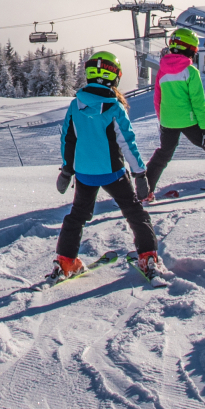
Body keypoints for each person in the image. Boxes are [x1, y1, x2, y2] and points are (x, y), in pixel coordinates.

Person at [55, 51, 160, 281]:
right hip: (113, 173)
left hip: (84, 174)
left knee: (77, 216)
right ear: (115, 78)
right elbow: (128, 144)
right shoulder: (114, 108)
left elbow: (68, 140)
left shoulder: (76, 105)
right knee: (135, 213)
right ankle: (147, 255)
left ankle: (65, 261)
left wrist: (66, 170)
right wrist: (140, 174)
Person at [144, 27, 205, 194]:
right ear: (189, 49)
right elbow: (198, 104)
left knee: (162, 155)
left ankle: (144, 192)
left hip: (168, 122)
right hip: (189, 121)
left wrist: (162, 121)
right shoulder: (191, 72)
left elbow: (158, 99)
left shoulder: (162, 71)